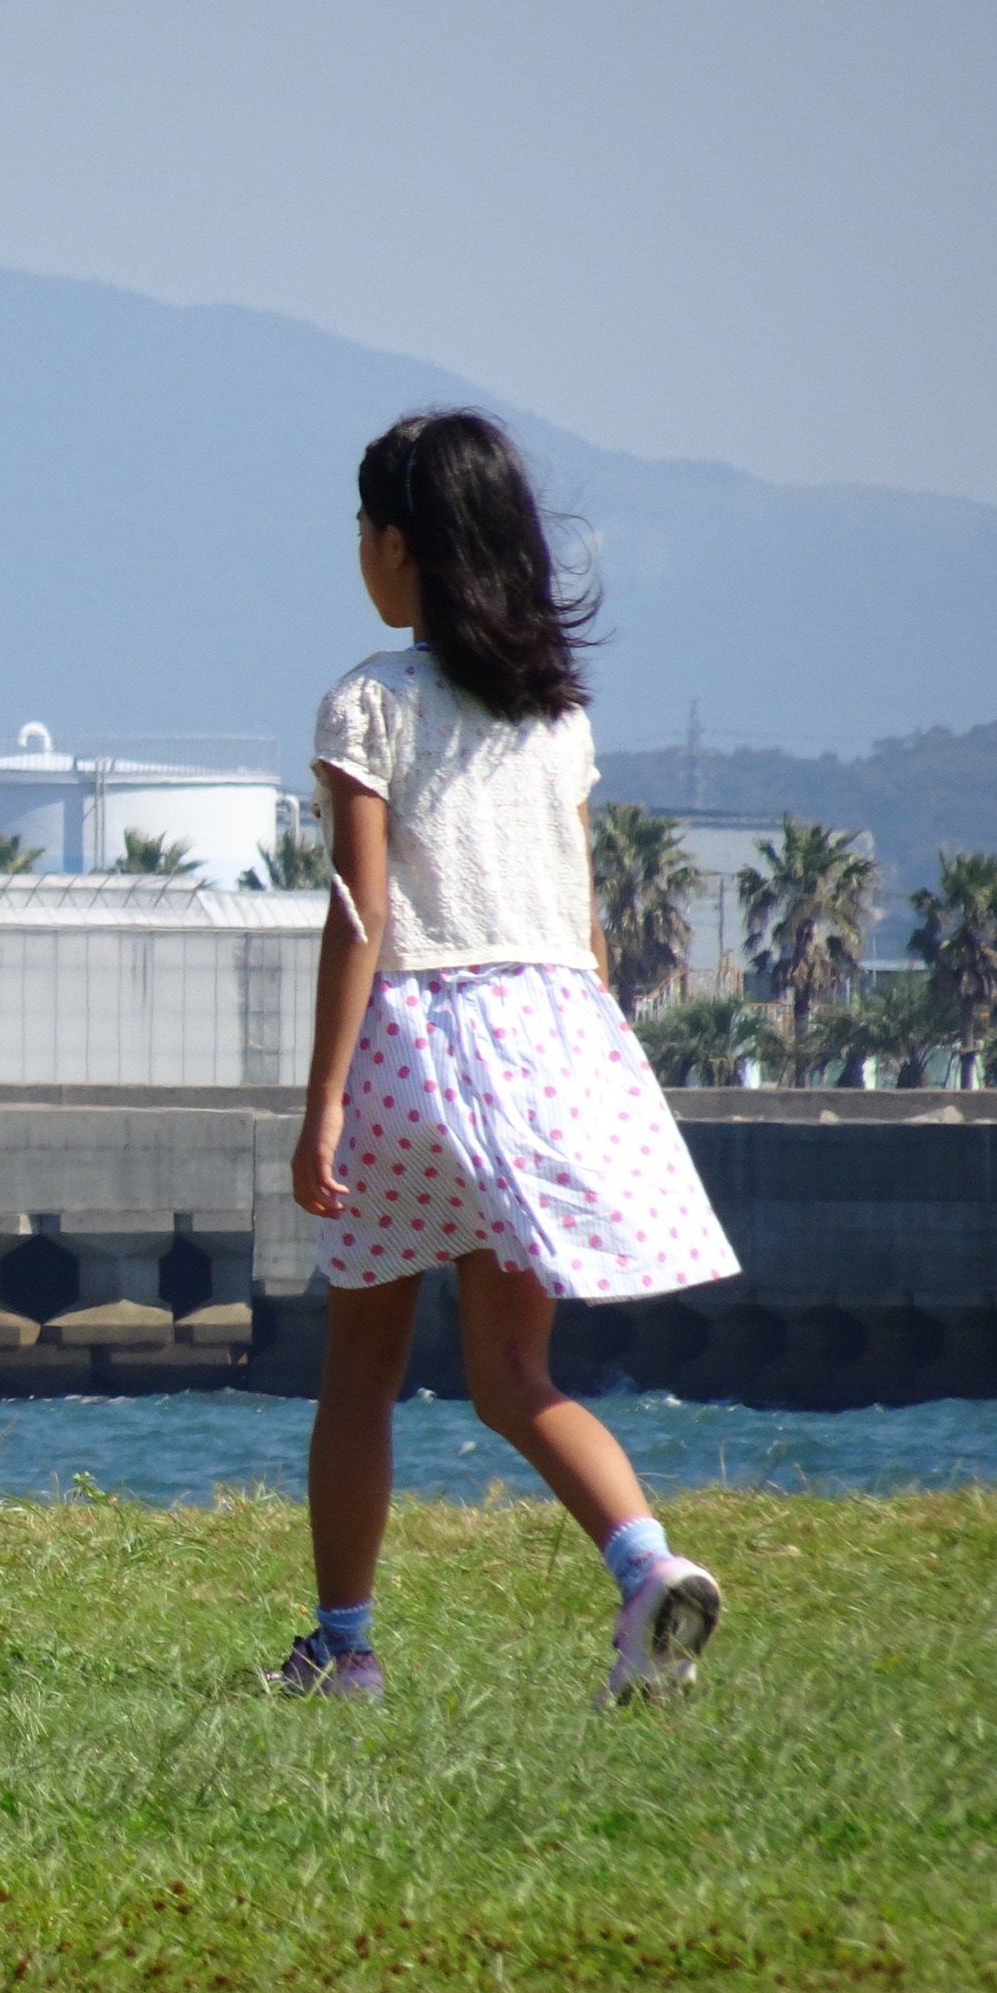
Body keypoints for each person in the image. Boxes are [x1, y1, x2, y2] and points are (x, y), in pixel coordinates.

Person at [281, 410, 740, 1705]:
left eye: (366, 530)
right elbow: (584, 923)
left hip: (421, 1048)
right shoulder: (557, 715)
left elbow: (362, 912)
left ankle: (346, 1648)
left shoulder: (370, 700)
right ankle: (646, 1567)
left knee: (361, 1371)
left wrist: (321, 1104)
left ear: (401, 546)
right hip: (552, 1048)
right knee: (513, 1374)